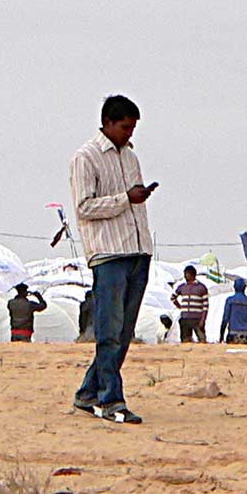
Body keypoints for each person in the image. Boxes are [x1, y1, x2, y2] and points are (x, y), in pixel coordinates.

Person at [71, 94, 155, 424]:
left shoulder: (130, 157)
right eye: (124, 127)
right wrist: (125, 199)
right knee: (109, 330)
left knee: (124, 332)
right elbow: (84, 207)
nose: (129, 134)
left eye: (132, 128)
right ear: (107, 123)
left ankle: (89, 391)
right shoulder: (86, 157)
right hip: (108, 254)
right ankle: (110, 400)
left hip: (137, 250)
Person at [173, 265, 210, 342]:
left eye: (186, 274)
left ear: (192, 274)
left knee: (202, 340)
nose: (185, 276)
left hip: (197, 319)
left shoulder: (201, 288)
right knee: (185, 341)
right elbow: (173, 297)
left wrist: (203, 320)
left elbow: (205, 306)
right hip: (185, 318)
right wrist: (180, 307)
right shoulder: (182, 287)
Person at [219, 278, 247, 344]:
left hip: (233, 333)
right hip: (246, 334)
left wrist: (221, 335)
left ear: (234, 287)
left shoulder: (230, 301)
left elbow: (225, 319)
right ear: (244, 288)